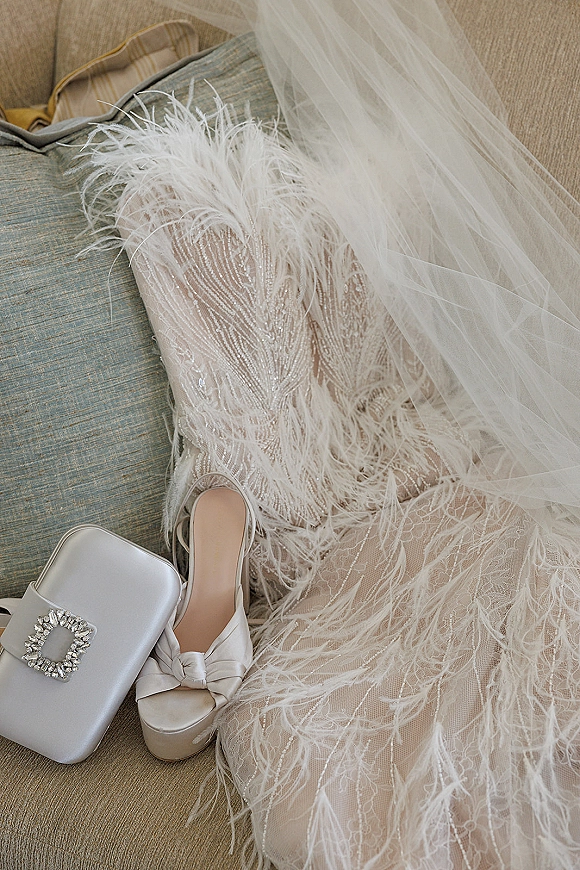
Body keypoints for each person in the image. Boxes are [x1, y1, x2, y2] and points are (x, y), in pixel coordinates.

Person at [84, 1, 580, 866]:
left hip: (437, 472)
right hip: (315, 510)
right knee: (366, 769)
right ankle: (229, 523)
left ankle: (220, 544)